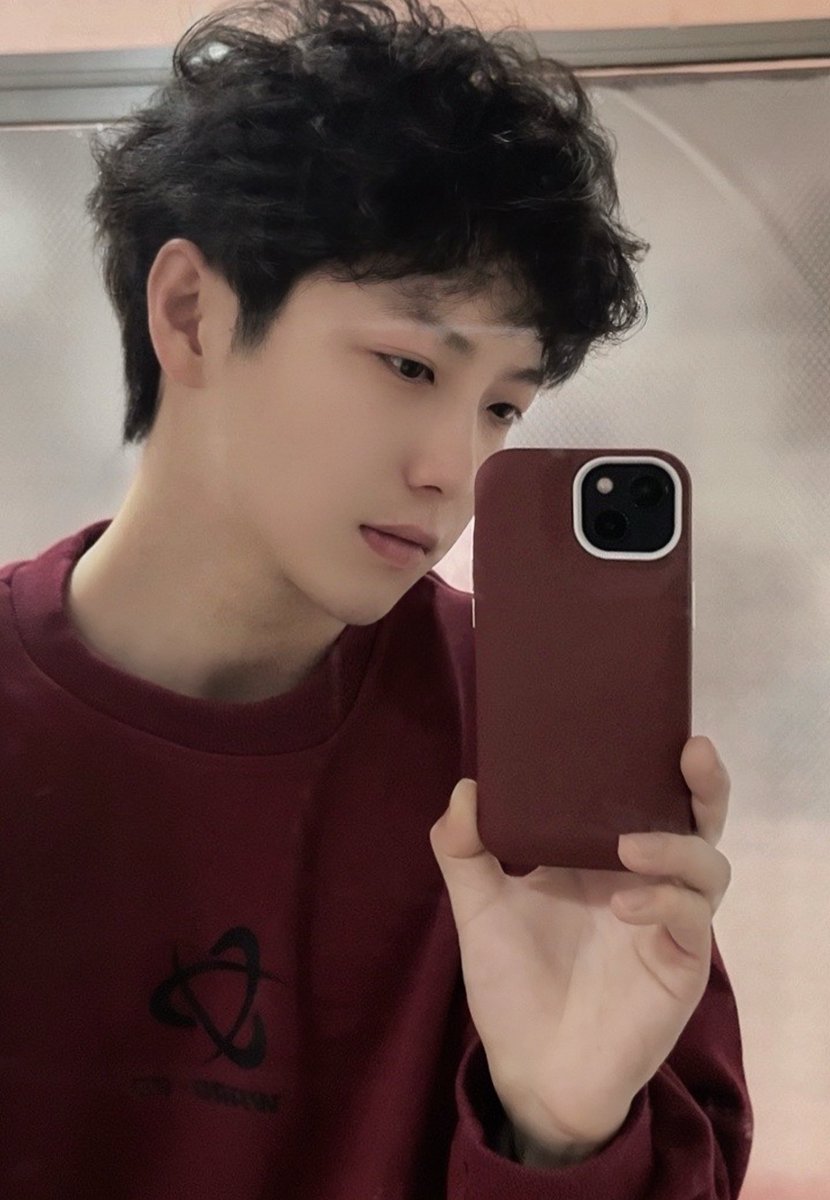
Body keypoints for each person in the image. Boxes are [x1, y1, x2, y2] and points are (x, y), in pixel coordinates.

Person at [0, 1, 753, 1196]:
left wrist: (557, 1135)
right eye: (408, 365)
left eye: (501, 406)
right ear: (190, 313)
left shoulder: (528, 744)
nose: (454, 467)